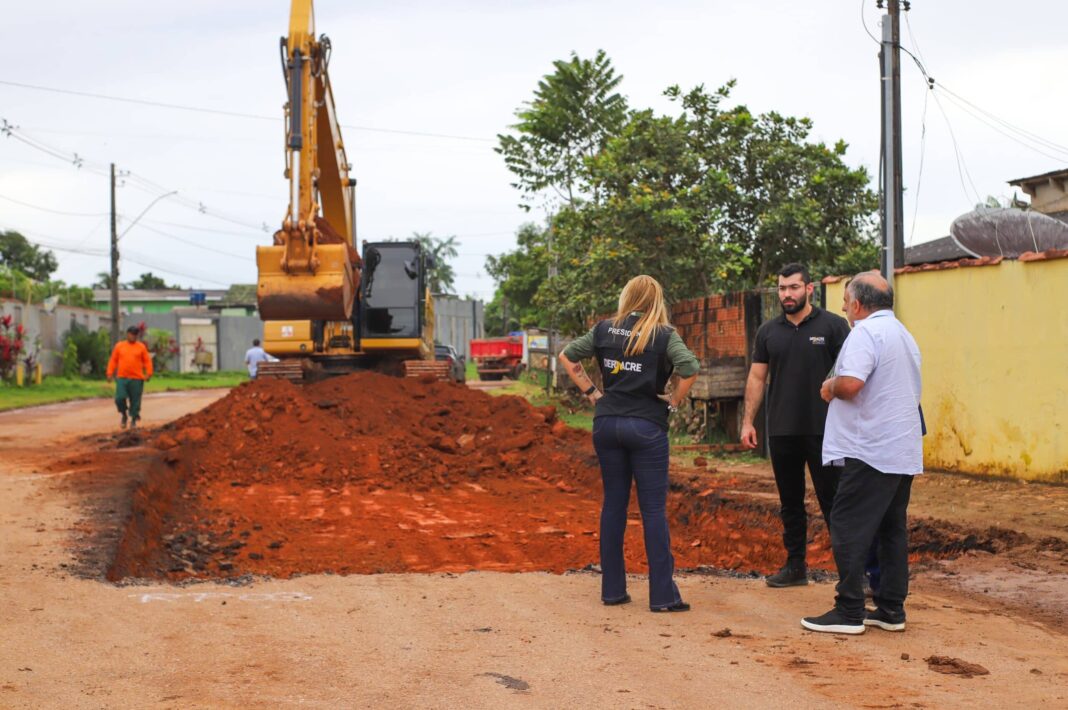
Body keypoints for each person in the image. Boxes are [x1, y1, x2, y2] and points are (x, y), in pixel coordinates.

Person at [560, 275, 700, 612]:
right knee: (652, 510)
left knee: (613, 506)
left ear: (627, 297)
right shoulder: (664, 335)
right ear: (656, 301)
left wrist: (593, 392)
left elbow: (567, 356)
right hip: (646, 427)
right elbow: (690, 367)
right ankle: (663, 597)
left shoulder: (605, 329)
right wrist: (672, 402)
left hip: (606, 424)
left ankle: (612, 591)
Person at [801, 272, 923, 635]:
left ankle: (850, 609)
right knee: (890, 529)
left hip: (870, 449)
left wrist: (829, 386)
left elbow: (852, 384)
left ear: (857, 304)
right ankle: (890, 609)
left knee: (847, 524)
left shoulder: (865, 333)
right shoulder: (904, 334)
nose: (842, 308)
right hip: (900, 448)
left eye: (844, 301)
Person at [740, 263, 851, 587]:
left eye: (793, 287)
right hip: (782, 430)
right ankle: (795, 567)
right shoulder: (768, 331)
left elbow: (850, 373)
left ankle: (851, 574)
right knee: (790, 503)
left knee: (835, 502)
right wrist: (748, 421)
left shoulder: (833, 326)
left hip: (826, 431)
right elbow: (757, 376)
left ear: (809, 289)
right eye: (782, 288)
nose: (787, 294)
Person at [106, 325, 153, 429]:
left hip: (137, 379)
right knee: (119, 398)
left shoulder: (141, 347)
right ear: (127, 334)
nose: (133, 336)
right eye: (131, 334)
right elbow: (113, 360)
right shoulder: (119, 346)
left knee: (135, 401)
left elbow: (147, 361)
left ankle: (133, 420)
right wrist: (109, 373)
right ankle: (124, 414)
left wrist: (148, 373)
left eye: (135, 335)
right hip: (122, 378)